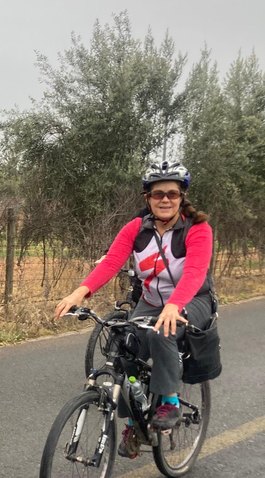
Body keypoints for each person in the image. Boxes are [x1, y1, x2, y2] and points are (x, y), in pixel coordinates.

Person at [54, 161, 214, 458]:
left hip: (193, 300)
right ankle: (134, 423)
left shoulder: (198, 229)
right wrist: (79, 293)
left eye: (172, 193)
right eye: (157, 194)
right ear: (147, 198)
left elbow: (194, 273)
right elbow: (113, 261)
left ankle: (170, 402)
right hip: (151, 300)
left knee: (161, 331)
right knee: (123, 349)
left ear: (182, 197)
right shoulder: (137, 228)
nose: (165, 199)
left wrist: (174, 306)